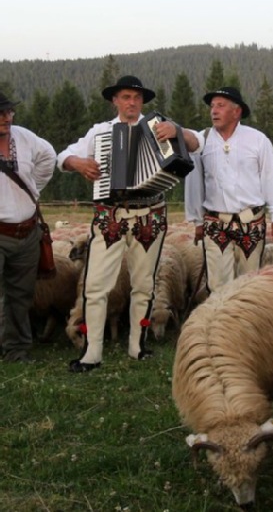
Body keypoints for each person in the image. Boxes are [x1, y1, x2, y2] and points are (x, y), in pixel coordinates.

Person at [57, 75, 200, 372]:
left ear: (143, 102)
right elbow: (64, 156)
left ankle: (138, 344)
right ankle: (92, 352)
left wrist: (178, 130)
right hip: (111, 214)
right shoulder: (100, 132)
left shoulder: (160, 128)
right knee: (96, 285)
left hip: (149, 214)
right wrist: (79, 163)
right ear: (115, 101)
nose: (132, 102)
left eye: (136, 97)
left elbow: (196, 143)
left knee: (144, 283)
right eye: (125, 97)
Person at [185, 87, 273, 293]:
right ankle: (219, 324)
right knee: (217, 286)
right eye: (212, 106)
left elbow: (270, 177)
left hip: (250, 222)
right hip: (216, 223)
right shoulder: (202, 140)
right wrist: (197, 220)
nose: (214, 111)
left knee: (249, 284)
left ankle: (245, 323)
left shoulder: (258, 140)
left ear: (237, 111)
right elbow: (194, 181)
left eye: (221, 106)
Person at [0, 92, 56, 363]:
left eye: (9, 112)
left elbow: (49, 158)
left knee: (20, 296)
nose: (7, 118)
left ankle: (17, 350)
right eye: (1, 113)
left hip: (26, 231)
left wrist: (34, 189)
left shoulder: (25, 137)